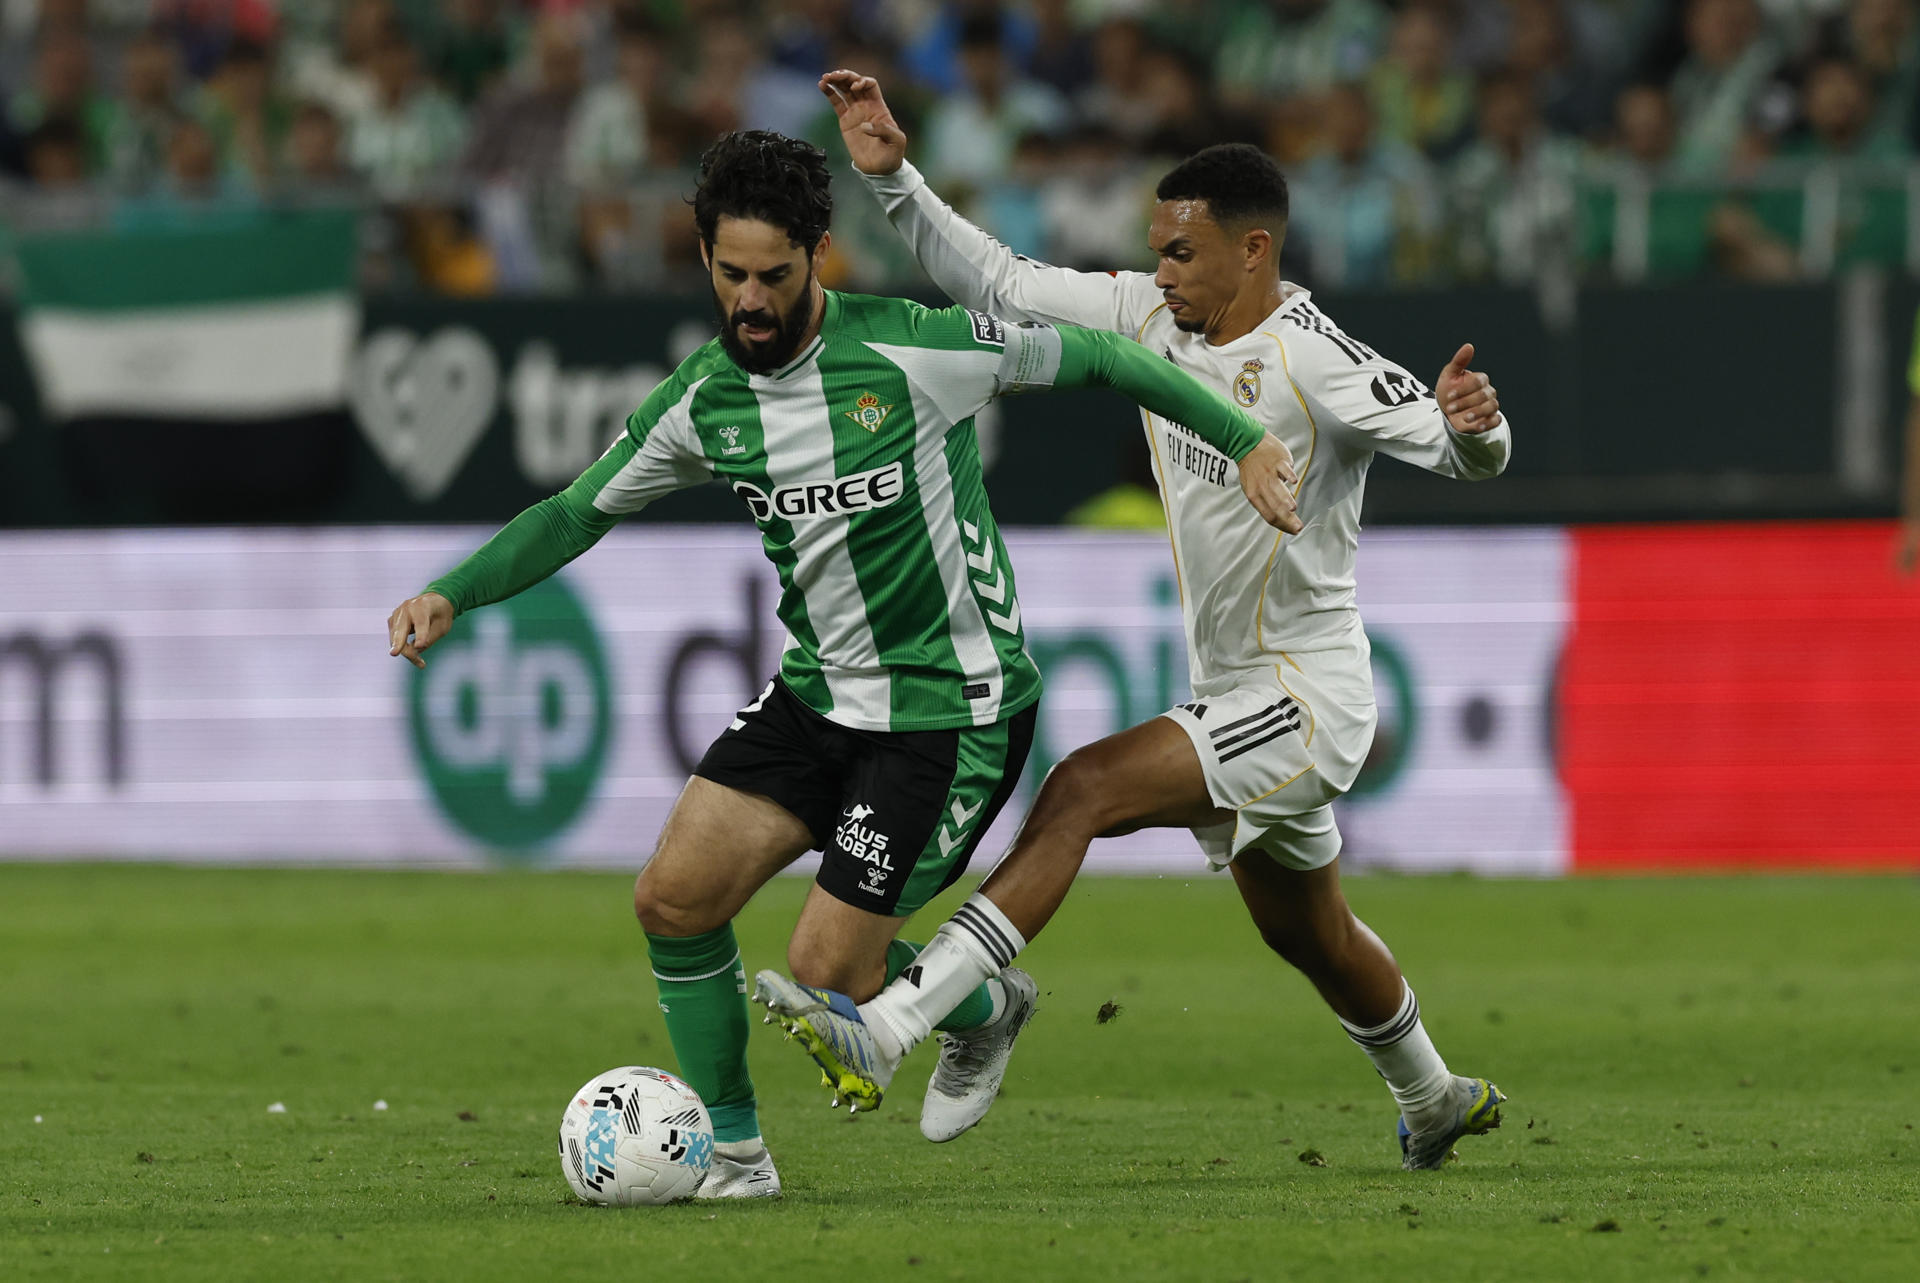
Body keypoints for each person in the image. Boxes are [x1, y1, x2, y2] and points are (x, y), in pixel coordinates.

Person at [384, 130, 1299, 1199]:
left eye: (774, 275)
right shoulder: (703, 400)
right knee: (673, 898)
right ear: (703, 257)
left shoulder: (918, 350)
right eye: (731, 274)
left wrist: (1242, 438)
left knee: (830, 972)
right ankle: (736, 1157)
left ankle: (982, 1005)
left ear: (819, 254)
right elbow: (573, 512)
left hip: (950, 716)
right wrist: (454, 590)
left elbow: (1104, 357)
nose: (751, 301)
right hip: (818, 695)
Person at [753, 72, 1514, 1172]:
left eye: (1182, 253)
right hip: (1234, 688)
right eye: (1156, 250)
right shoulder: (1148, 318)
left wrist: (1476, 428)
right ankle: (1433, 1095)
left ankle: (895, 1025)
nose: (1161, 272)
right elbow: (1001, 279)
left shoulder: (1316, 359)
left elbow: (1459, 449)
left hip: (1307, 694)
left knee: (1083, 787)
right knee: (1308, 931)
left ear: (1254, 250)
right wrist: (895, 181)